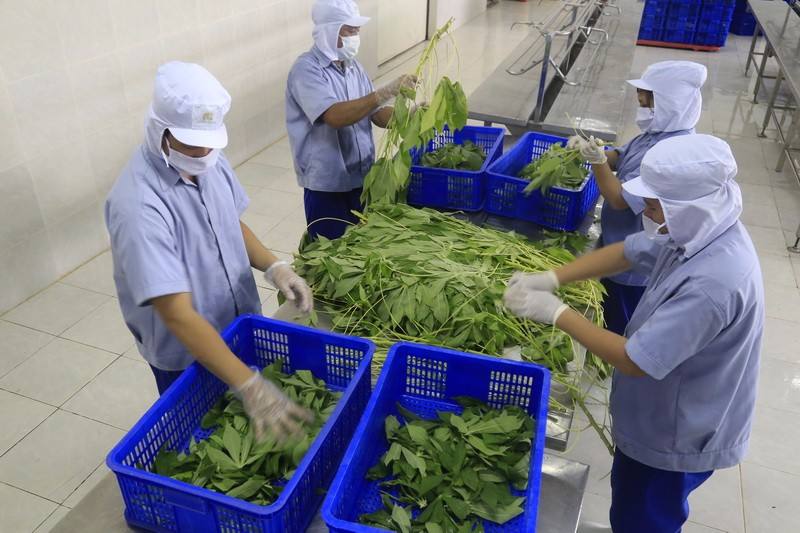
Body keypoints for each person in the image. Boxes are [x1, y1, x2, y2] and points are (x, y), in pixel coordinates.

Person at [504, 134, 764, 533]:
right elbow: (628, 251)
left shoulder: (715, 283)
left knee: (644, 519)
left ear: (687, 206)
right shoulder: (698, 229)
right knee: (631, 507)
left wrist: (556, 313)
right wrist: (552, 278)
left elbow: (634, 359)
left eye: (655, 204)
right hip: (661, 409)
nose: (649, 212)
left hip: (674, 433)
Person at [106, 61, 313, 441]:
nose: (202, 153)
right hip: (186, 351)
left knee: (247, 430)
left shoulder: (206, 159)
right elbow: (178, 315)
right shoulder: (138, 205)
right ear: (160, 131)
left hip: (235, 324)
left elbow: (231, 223)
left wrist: (274, 266)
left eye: (209, 143)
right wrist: (250, 385)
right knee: (205, 438)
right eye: (191, 144)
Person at [563, 61, 707, 335]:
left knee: (620, 320)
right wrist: (595, 151)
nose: (640, 106)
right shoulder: (654, 135)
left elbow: (619, 199)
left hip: (633, 264)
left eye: (646, 101)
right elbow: (621, 157)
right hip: (617, 241)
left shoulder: (670, 152)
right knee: (608, 305)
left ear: (669, 104)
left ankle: (616, 349)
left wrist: (597, 162)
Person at [286, 0, 417, 240]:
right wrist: (384, 92)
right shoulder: (306, 70)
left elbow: (376, 114)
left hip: (362, 177)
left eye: (357, 30)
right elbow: (334, 116)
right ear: (329, 30)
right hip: (327, 184)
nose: (356, 37)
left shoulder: (354, 67)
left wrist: (409, 116)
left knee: (361, 245)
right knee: (331, 250)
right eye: (349, 30)